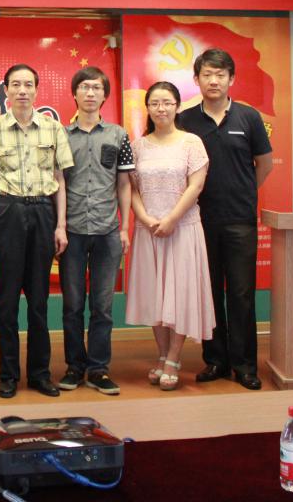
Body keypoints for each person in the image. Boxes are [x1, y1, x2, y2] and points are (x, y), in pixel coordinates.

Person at [178, 49, 274, 390]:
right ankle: (215, 360)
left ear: (231, 79)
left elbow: (264, 165)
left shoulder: (249, 117)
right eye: (207, 74)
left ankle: (245, 365)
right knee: (208, 292)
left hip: (239, 220)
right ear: (197, 79)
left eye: (220, 74)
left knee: (241, 293)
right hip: (199, 220)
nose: (214, 80)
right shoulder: (185, 121)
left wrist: (242, 190)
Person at [0, 63, 74, 399]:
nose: (22, 90)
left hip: (43, 212)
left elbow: (60, 180)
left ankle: (39, 374)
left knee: (39, 299)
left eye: (28, 84)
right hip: (6, 212)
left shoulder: (53, 128)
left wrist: (60, 225)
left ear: (36, 89)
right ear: (6, 90)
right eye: (16, 84)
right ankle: (8, 374)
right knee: (6, 301)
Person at [125, 81, 214, 391]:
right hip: (149, 229)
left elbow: (196, 185)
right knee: (155, 295)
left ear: (177, 106)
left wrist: (173, 219)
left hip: (182, 229)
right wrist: (145, 218)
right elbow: (131, 189)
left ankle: (174, 358)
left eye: (167, 103)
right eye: (155, 103)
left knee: (180, 294)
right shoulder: (138, 146)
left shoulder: (191, 143)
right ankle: (162, 354)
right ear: (148, 109)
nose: (161, 108)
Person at [57, 66, 133, 396]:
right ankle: (74, 367)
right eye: (84, 87)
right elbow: (58, 183)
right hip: (72, 231)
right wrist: (59, 226)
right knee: (72, 305)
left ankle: (99, 369)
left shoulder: (119, 135)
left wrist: (125, 227)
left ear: (105, 95)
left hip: (107, 230)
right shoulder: (61, 135)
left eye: (97, 88)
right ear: (74, 93)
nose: (90, 93)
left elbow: (124, 184)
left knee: (102, 306)